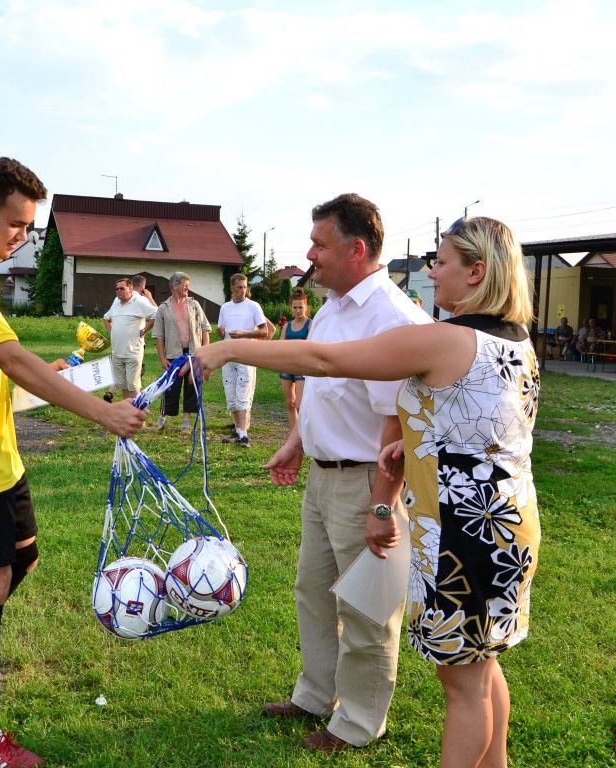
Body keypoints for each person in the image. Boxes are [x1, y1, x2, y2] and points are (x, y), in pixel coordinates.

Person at [194, 215, 540, 768]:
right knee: (482, 669)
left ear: (476, 272)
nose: (432, 272)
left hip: (464, 534)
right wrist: (415, 443)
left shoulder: (443, 339)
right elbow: (484, 427)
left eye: (442, 262)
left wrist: (231, 350)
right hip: (505, 524)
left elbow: (325, 360)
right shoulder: (514, 340)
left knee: (462, 688)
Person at [0, 157, 146, 768]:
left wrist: (52, 375)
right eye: (16, 223)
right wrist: (102, 414)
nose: (24, 235)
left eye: (29, 225)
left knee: (23, 559)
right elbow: (9, 356)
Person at [210, 193, 430, 752]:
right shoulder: (333, 306)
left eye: (319, 244)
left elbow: (397, 427)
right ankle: (315, 695)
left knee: (365, 608)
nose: (310, 254)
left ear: (356, 249)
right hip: (324, 477)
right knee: (313, 591)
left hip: (367, 481)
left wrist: (382, 505)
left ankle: (356, 724)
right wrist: (296, 442)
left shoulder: (390, 317)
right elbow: (320, 385)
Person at [151, 271, 210, 430]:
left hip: (194, 353)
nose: (187, 288)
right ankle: (162, 417)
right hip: (173, 354)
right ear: (174, 286)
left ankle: (186, 421)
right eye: (185, 286)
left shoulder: (194, 304)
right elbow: (159, 336)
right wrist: (162, 358)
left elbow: (205, 329)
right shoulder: (163, 308)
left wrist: (204, 352)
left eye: (188, 286)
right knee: (170, 386)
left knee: (192, 386)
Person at [215, 273, 269, 447]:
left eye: (245, 287)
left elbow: (264, 331)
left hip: (246, 354)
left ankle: (244, 434)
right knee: (231, 394)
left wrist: (244, 334)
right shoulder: (225, 308)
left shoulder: (253, 306)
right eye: (239, 287)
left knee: (243, 393)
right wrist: (221, 332)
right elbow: (222, 332)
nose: (243, 290)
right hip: (228, 355)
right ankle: (238, 430)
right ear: (232, 287)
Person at [102, 277, 156, 400]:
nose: (118, 291)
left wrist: (145, 329)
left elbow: (156, 313)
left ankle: (140, 411)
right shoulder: (116, 302)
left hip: (133, 352)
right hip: (117, 353)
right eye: (117, 289)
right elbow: (106, 317)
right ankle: (128, 410)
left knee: (133, 386)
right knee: (123, 386)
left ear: (130, 289)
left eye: (122, 288)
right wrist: (112, 332)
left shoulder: (139, 301)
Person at [277, 290, 311, 428]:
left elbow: (311, 346)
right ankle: (293, 435)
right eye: (295, 307)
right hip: (286, 367)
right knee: (290, 404)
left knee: (299, 405)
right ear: (291, 308)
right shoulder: (287, 326)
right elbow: (280, 345)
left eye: (300, 307)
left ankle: (303, 434)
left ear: (306, 307)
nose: (297, 310)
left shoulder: (310, 324)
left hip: (302, 368)